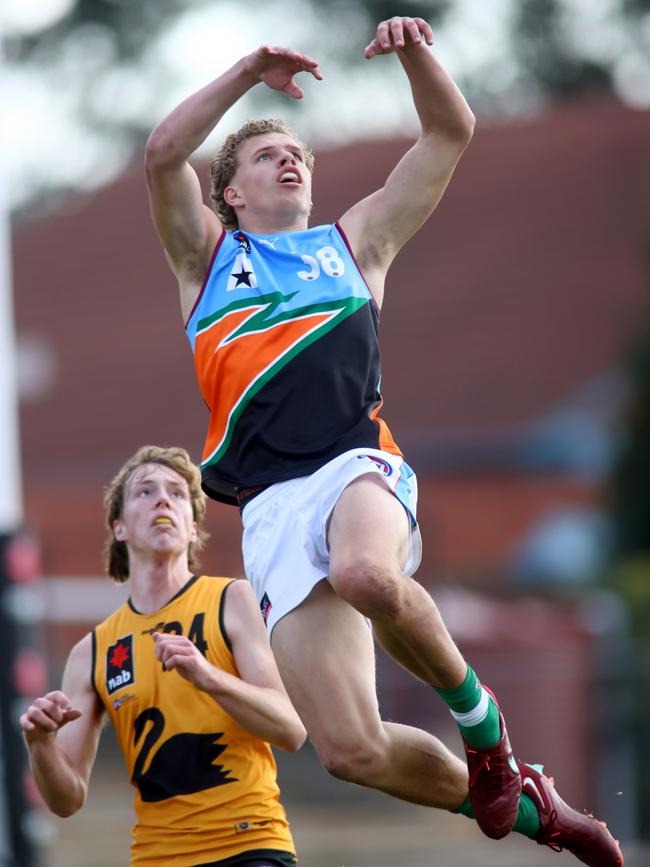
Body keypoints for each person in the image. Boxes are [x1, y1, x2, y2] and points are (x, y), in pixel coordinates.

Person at [144, 15, 623, 867]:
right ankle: (535, 810)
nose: (291, 160)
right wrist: (246, 73)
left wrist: (417, 55)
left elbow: (451, 129)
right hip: (270, 508)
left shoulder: (356, 242)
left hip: (355, 466)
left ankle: (486, 733)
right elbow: (160, 152)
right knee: (349, 750)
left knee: (367, 573)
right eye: (266, 155)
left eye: (300, 154)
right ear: (231, 194)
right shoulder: (206, 262)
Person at [20, 445, 306, 867]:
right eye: (145, 492)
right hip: (156, 857)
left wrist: (208, 676)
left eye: (176, 493)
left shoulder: (231, 599)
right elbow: (67, 800)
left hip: (251, 845)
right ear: (119, 527)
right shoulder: (93, 651)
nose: (163, 500)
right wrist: (40, 743)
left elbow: (291, 731)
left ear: (192, 528)